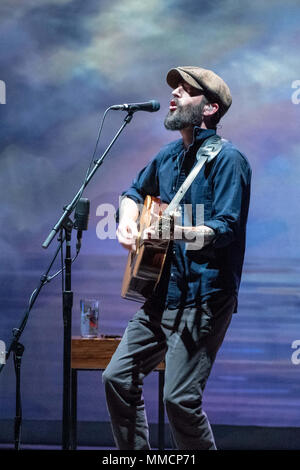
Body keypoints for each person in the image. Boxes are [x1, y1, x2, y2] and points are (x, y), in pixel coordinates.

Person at [102, 66, 251, 450]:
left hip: (204, 297)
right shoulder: (168, 157)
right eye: (175, 91)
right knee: (117, 377)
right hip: (160, 294)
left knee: (179, 399)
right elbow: (133, 192)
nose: (174, 96)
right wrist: (128, 223)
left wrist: (179, 232)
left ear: (209, 109)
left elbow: (226, 228)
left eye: (185, 92)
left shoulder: (229, 160)